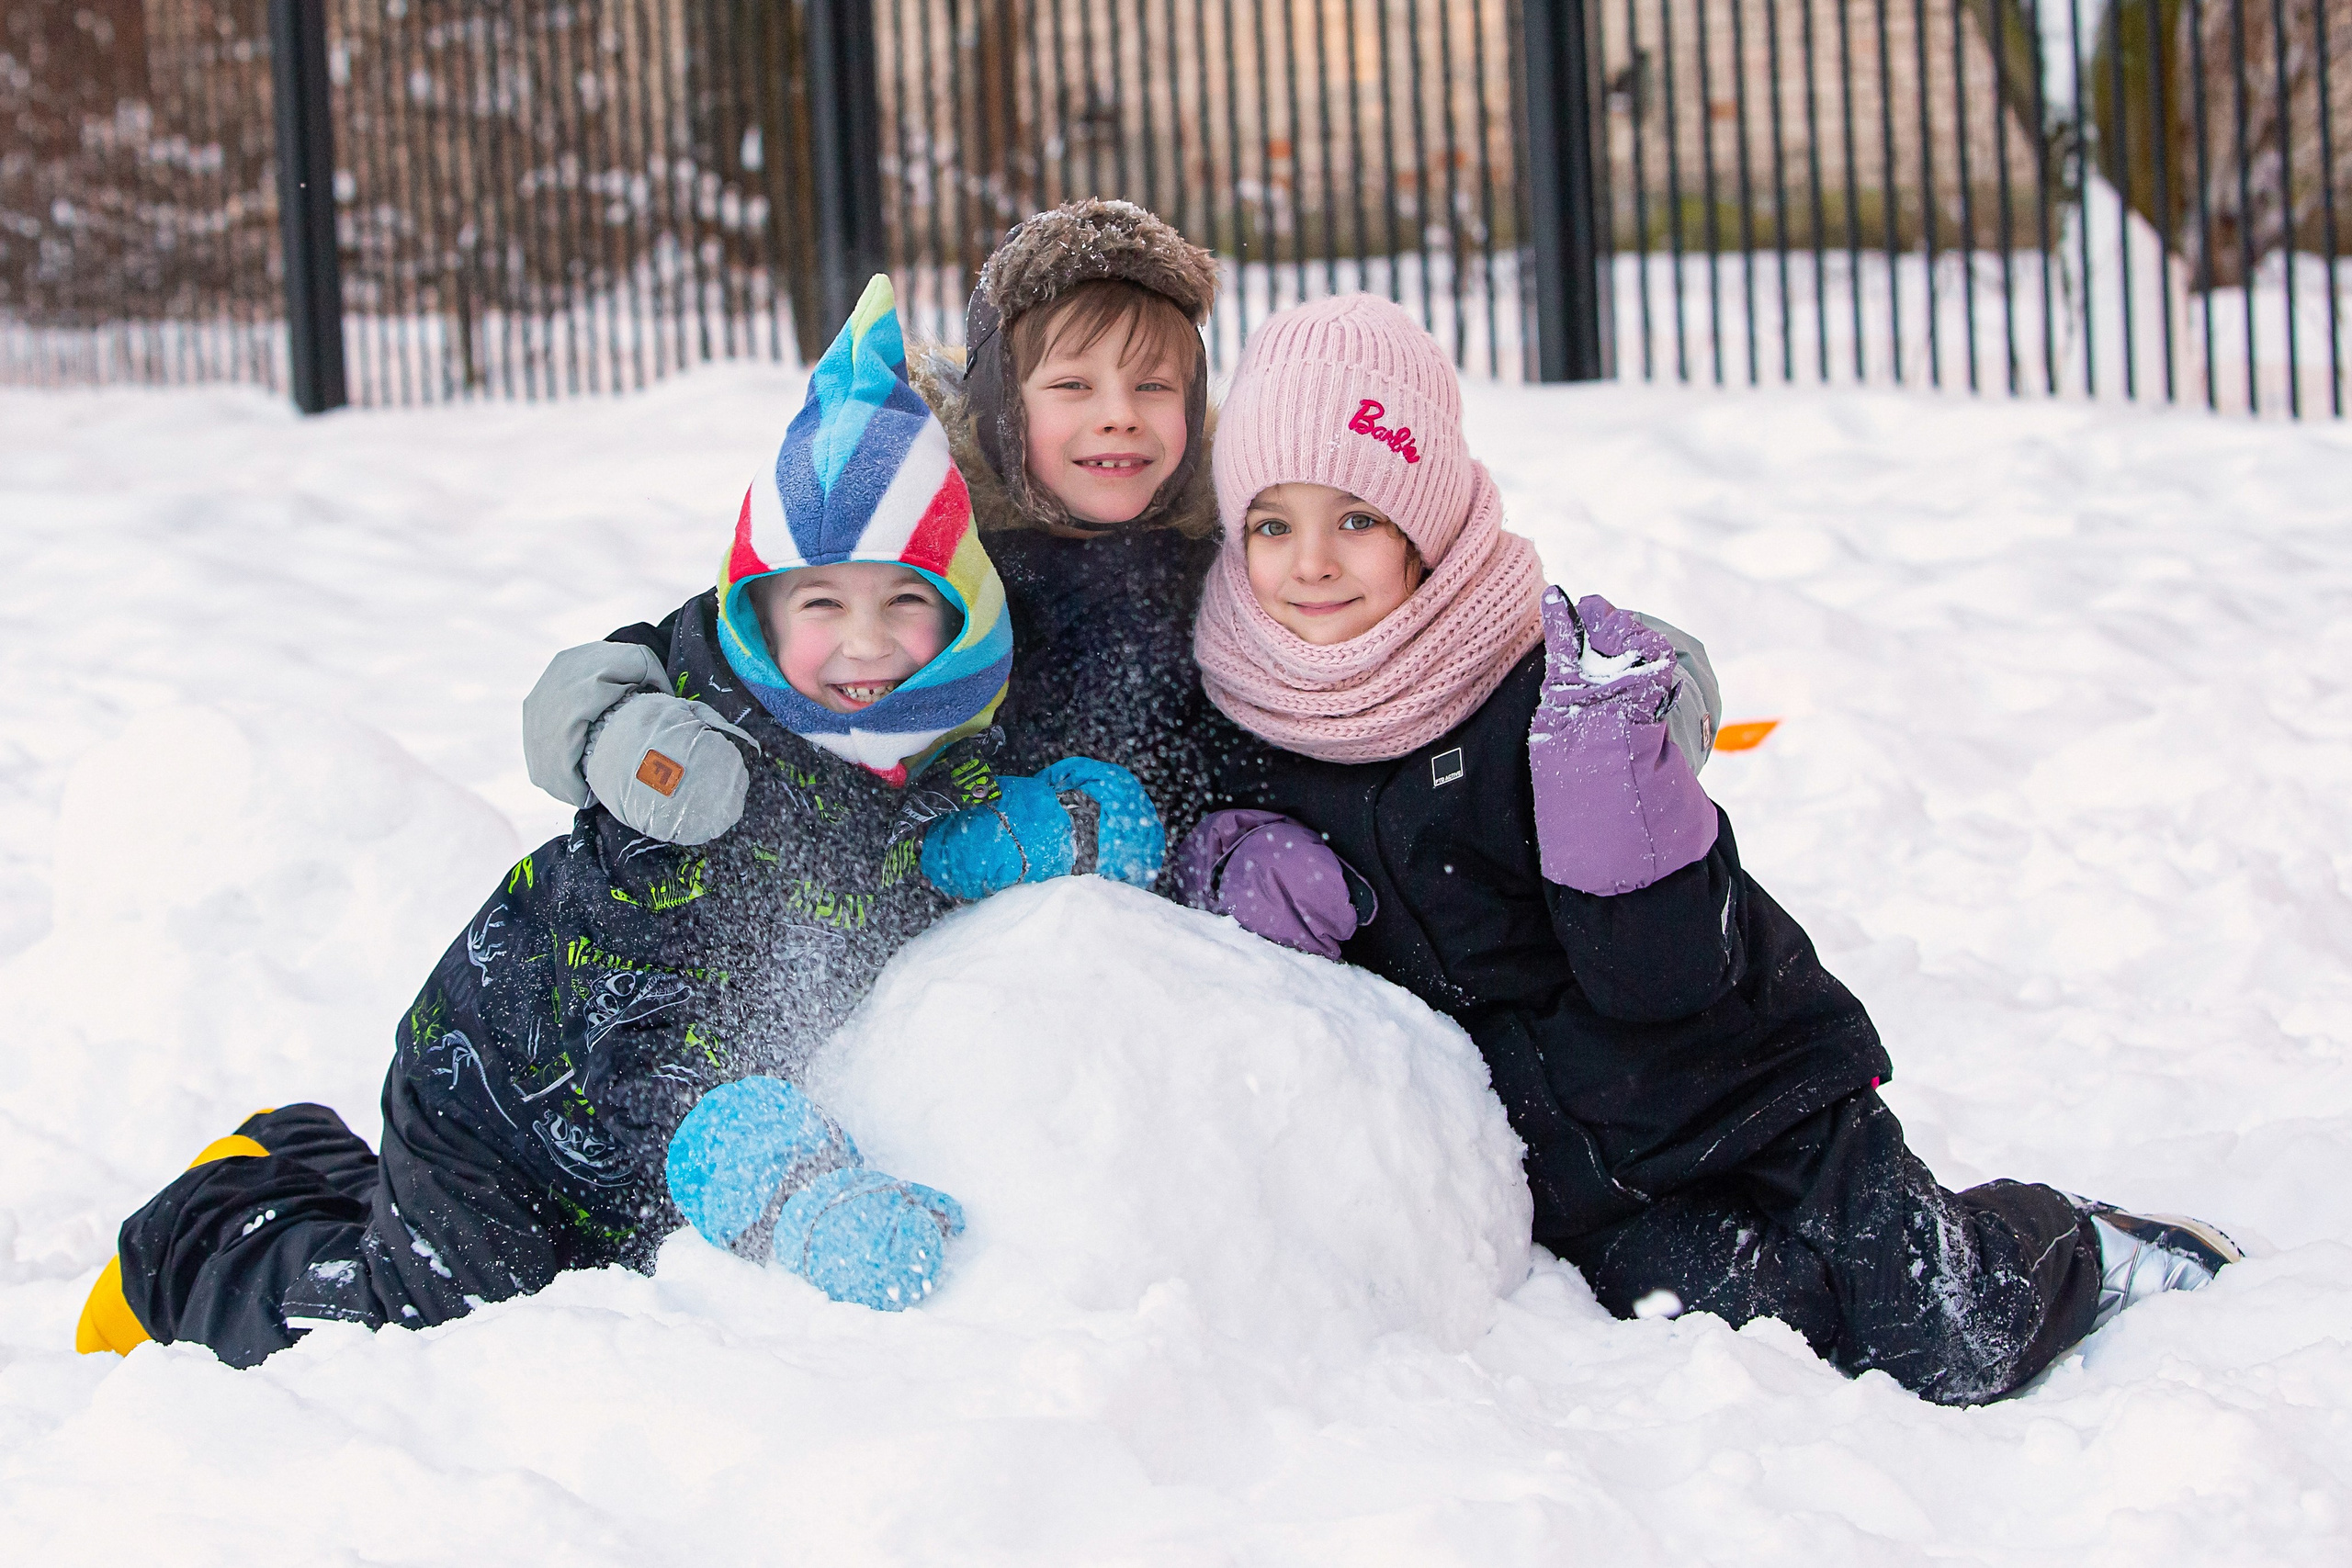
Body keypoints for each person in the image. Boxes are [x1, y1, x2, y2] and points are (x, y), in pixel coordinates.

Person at [1166, 292, 2239, 1406]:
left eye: (1356, 519)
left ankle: (2079, 1244)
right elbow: (1171, 846)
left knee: (1945, 1339)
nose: (1311, 563)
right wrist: (1223, 858)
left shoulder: (1540, 689)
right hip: (1592, 1189)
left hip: (1747, 1092)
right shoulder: (1242, 716)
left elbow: (1665, 979)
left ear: (1423, 528)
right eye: (1273, 525)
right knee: (1774, 1341)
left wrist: (1619, 814)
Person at [74, 278, 1153, 1365]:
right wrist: (801, 1193)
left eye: (904, 601)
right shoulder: (703, 791)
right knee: (430, 1328)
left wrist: (1060, 825)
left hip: (632, 1138)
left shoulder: (929, 737)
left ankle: (294, 1154)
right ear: (759, 614)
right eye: (822, 603)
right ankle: (194, 1244)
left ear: (961, 613)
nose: (864, 643)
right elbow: (648, 1042)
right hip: (506, 1103)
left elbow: (941, 841)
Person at [525, 198, 1240, 875]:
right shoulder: (914, 537)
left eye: (1153, 386)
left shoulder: (1225, 569)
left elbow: (1253, 757)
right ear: (1000, 402)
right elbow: (721, 648)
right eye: (1073, 386)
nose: (1120, 415)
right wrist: (618, 728)